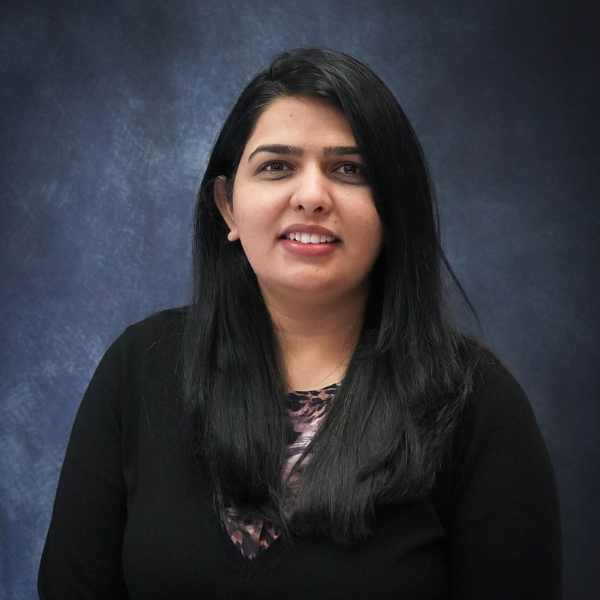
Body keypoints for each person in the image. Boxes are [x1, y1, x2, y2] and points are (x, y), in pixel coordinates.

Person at [38, 47, 561, 599]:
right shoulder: (139, 368)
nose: (311, 196)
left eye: (350, 170)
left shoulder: (475, 403)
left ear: (394, 208)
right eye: (277, 167)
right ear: (227, 207)